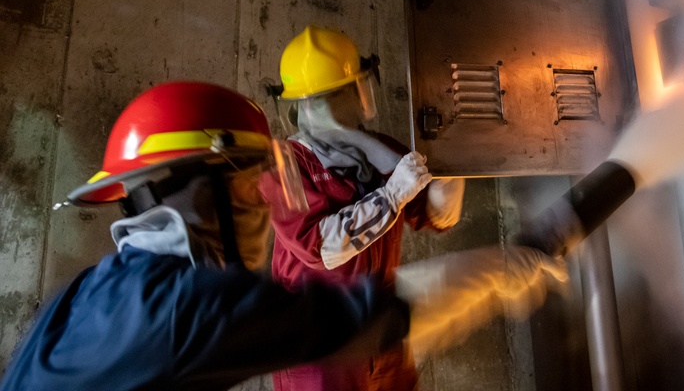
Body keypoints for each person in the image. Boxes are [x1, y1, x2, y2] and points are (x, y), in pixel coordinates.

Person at [0, 81, 410, 391]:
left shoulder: (83, 292)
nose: (266, 208)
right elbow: (358, 320)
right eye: (254, 189)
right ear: (203, 194)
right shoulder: (184, 304)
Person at [265, 26, 465, 391]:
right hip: (320, 345)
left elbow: (437, 216)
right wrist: (391, 196)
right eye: (350, 88)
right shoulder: (284, 164)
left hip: (381, 328)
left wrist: (456, 166)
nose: (359, 97)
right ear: (314, 103)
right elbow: (321, 246)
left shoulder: (380, 150)